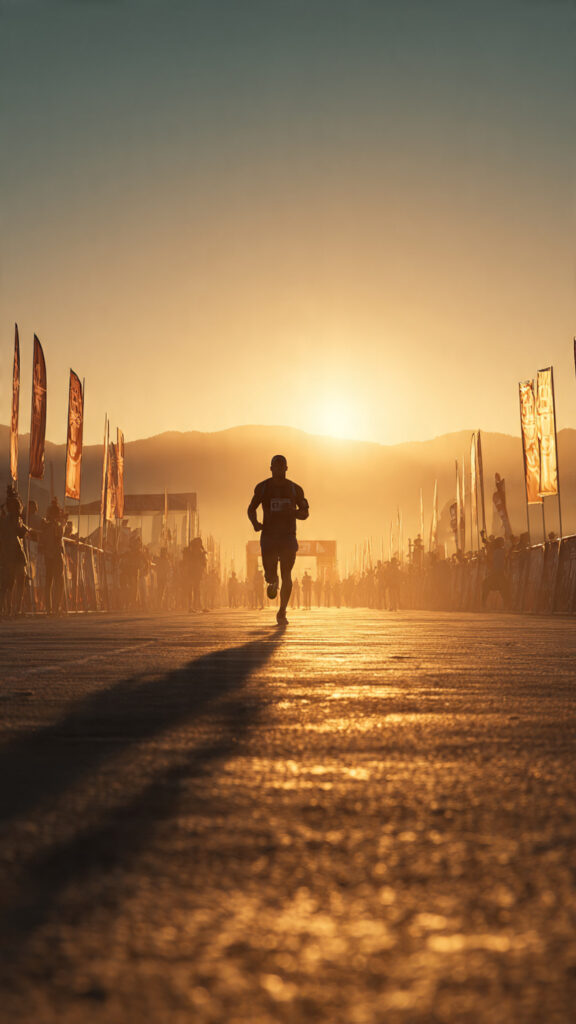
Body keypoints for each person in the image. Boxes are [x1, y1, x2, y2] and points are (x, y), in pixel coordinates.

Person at [247, 454, 309, 625]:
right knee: (270, 574)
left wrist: (293, 512)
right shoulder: (263, 488)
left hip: (288, 537)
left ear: (286, 468)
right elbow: (251, 509)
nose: (279, 470)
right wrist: (255, 523)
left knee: (286, 574)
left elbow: (305, 513)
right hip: (269, 537)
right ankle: (272, 581)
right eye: (276, 467)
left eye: (282, 467)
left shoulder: (295, 489)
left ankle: (282, 611)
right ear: (271, 468)